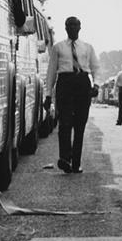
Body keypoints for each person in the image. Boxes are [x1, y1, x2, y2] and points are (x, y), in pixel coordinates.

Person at [44, 16, 99, 173]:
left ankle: (76, 162)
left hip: (82, 83)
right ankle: (65, 159)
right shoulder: (58, 47)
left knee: (80, 125)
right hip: (65, 83)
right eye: (69, 25)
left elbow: (95, 67)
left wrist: (96, 84)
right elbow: (51, 72)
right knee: (65, 123)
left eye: (75, 25)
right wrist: (48, 94)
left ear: (80, 28)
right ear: (66, 28)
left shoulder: (87, 48)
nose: (73, 28)